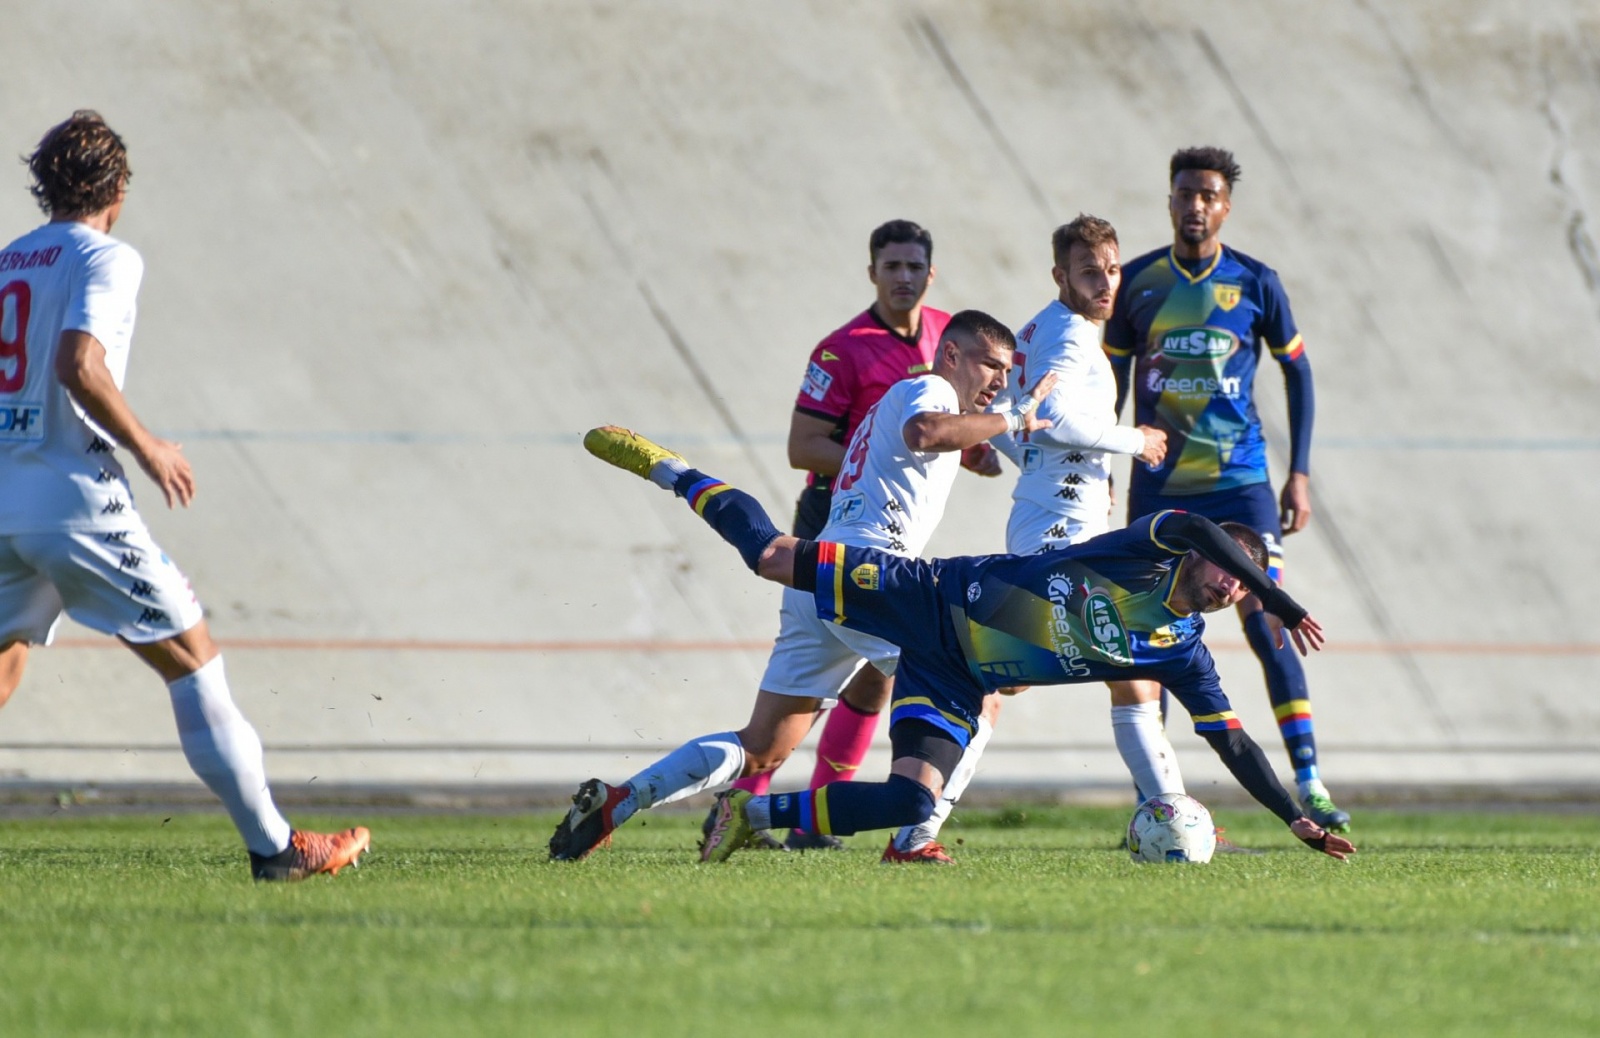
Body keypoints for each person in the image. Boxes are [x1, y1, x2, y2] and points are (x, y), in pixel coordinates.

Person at [577, 424, 1356, 866]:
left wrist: (1298, 820)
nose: (1229, 587)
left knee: (912, 801)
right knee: (773, 558)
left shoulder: (1179, 654)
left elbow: (1234, 745)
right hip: (932, 592)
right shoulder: (1151, 548)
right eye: (1229, 571)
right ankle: (671, 470)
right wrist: (1285, 600)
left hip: (954, 670)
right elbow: (1194, 524)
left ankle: (752, 816)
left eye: (1243, 587)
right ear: (1208, 559)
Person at [0, 111, 369, 881]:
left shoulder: (8, 263)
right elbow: (80, 365)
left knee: (2, 667)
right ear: (119, 188)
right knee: (194, 660)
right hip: (74, 500)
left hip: (4, 492)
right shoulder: (107, 257)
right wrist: (148, 446)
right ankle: (278, 848)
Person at [549, 311, 1053, 861]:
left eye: (1006, 371)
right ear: (952, 356)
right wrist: (1013, 419)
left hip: (823, 580)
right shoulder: (929, 388)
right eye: (991, 366)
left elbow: (937, 439)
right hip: (870, 575)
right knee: (985, 687)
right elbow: (927, 432)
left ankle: (620, 800)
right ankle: (914, 839)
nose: (1000, 381)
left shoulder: (915, 397)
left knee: (762, 748)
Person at [885, 214, 1174, 863]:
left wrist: (999, 451)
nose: (1105, 284)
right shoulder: (1070, 337)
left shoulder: (1042, 329)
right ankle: (1173, 817)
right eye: (1089, 272)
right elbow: (1057, 422)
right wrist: (1137, 441)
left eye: (1112, 270)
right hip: (1061, 532)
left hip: (1054, 522)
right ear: (1060, 276)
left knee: (1034, 677)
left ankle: (916, 832)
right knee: (1114, 667)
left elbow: (1027, 432)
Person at [727, 219, 999, 852]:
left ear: (931, 275)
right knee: (829, 677)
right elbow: (803, 447)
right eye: (891, 266)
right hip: (831, 524)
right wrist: (884, 450)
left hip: (893, 538)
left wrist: (965, 450)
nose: (903, 277)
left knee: (877, 679)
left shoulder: (950, 342)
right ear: (872, 272)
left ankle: (811, 820)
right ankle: (756, 805)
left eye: (914, 267)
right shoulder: (842, 349)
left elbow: (937, 437)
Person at [1104, 146, 1351, 832]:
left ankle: (1309, 781)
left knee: (1267, 622)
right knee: (1141, 630)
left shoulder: (1256, 281)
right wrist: (1103, 464)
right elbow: (1111, 386)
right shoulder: (1140, 283)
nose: (1195, 206)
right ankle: (1153, 795)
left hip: (1241, 483)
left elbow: (1297, 372)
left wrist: (1298, 471)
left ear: (1225, 206)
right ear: (1171, 199)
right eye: (1184, 193)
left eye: (1207, 195)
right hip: (1159, 488)